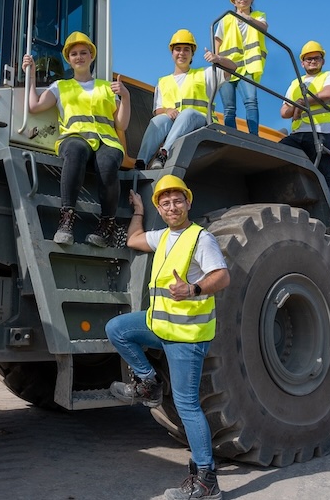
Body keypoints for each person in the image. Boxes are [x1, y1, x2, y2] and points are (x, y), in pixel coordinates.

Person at [106, 175, 230, 500]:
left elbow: (222, 275)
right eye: (165, 202)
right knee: (117, 329)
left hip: (187, 335)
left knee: (187, 405)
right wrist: (136, 210)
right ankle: (149, 381)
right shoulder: (163, 237)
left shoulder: (200, 238)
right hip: (160, 326)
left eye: (177, 200)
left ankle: (206, 481)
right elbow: (134, 239)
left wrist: (193, 288)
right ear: (159, 209)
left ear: (188, 202)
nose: (171, 206)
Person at [22, 31, 130, 247]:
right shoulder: (60, 86)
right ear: (68, 59)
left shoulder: (107, 87)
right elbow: (34, 106)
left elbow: (121, 125)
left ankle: (106, 224)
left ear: (91, 56)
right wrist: (31, 74)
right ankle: (66, 219)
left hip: (106, 141)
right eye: (74, 54)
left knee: (108, 163)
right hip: (74, 137)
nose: (79, 57)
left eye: (83, 52)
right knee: (75, 151)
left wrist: (125, 96)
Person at [135, 30, 236, 170]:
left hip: (202, 122)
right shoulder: (163, 82)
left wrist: (218, 59)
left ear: (192, 54)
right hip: (176, 124)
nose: (182, 53)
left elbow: (232, 68)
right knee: (157, 121)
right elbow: (157, 110)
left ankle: (164, 153)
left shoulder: (204, 74)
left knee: (188, 113)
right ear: (172, 53)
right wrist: (167, 110)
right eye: (178, 49)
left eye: (186, 50)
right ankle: (140, 162)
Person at [279, 40, 330, 201]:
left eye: (316, 58)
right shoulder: (294, 84)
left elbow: (328, 93)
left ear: (323, 61)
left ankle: (328, 216)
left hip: (325, 133)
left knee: (323, 175)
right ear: (302, 63)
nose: (313, 61)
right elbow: (284, 112)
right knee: (277, 152)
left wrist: (301, 102)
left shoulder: (329, 76)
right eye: (309, 59)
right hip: (299, 134)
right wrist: (297, 106)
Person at [214, 0, 268, 135]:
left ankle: (254, 135)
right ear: (234, 1)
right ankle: (232, 135)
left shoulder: (258, 15)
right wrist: (217, 61)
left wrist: (249, 19)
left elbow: (264, 28)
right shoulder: (226, 19)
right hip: (227, 67)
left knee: (251, 101)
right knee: (229, 108)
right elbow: (218, 40)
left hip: (248, 67)